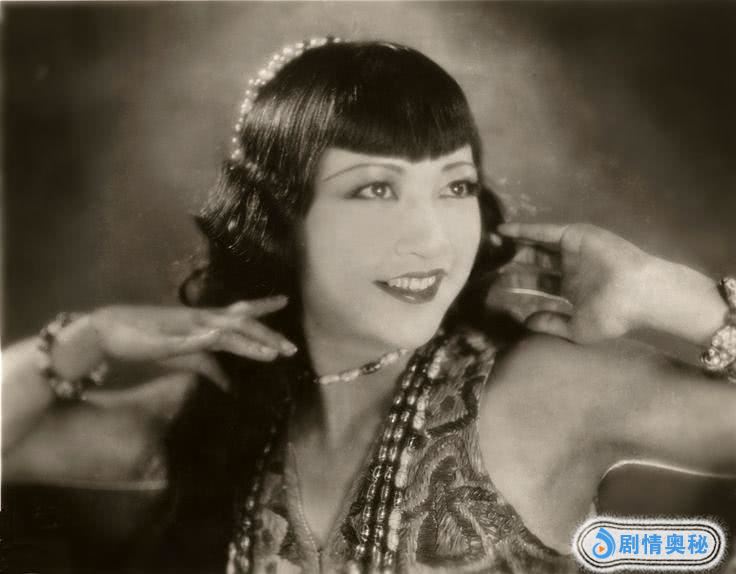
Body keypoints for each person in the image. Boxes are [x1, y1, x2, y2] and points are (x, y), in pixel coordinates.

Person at [3, 38, 736, 574]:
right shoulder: (218, 414)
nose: (431, 237)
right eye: (375, 189)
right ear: (281, 222)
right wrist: (87, 339)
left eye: (454, 186)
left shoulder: (542, 389)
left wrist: (673, 296)